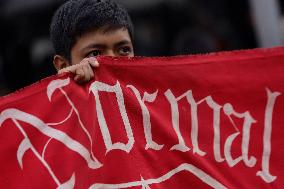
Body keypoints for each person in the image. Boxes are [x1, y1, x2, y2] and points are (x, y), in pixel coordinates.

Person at [50, 0, 135, 83]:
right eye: (95, 53)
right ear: (63, 66)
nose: (113, 63)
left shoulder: (147, 92)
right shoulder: (54, 95)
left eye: (124, 50)